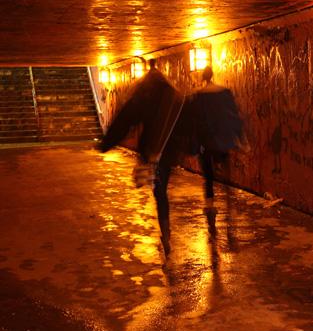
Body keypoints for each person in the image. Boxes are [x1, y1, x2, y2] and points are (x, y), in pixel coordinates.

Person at [99, 59, 186, 256]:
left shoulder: (144, 94)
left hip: (151, 150)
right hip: (169, 151)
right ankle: (166, 233)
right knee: (162, 190)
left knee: (159, 192)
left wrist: (107, 143)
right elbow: (185, 122)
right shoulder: (173, 95)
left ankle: (165, 233)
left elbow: (125, 119)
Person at [183, 66, 242, 213]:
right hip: (223, 140)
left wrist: (192, 143)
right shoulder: (224, 93)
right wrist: (240, 137)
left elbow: (192, 121)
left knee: (208, 175)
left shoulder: (198, 96)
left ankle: (210, 204)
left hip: (205, 142)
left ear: (203, 77)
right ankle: (228, 199)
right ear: (213, 75)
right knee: (225, 167)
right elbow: (234, 115)